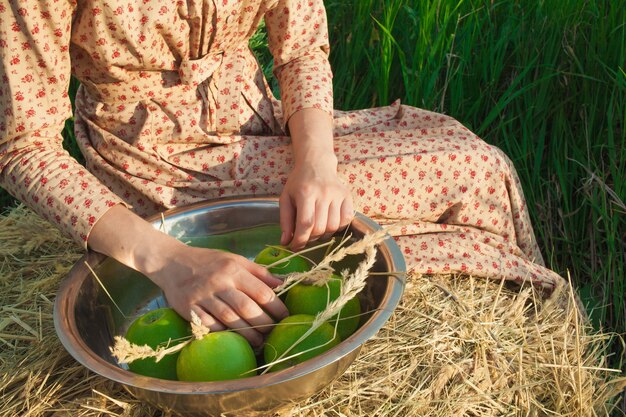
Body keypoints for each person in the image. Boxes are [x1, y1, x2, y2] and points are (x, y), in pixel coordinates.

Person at [0, 0, 564, 346]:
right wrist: (169, 259)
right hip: (160, 161)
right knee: (473, 171)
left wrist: (315, 159)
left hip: (257, 114)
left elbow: (300, 49)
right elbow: (21, 145)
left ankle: (552, 349)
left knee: (469, 153)